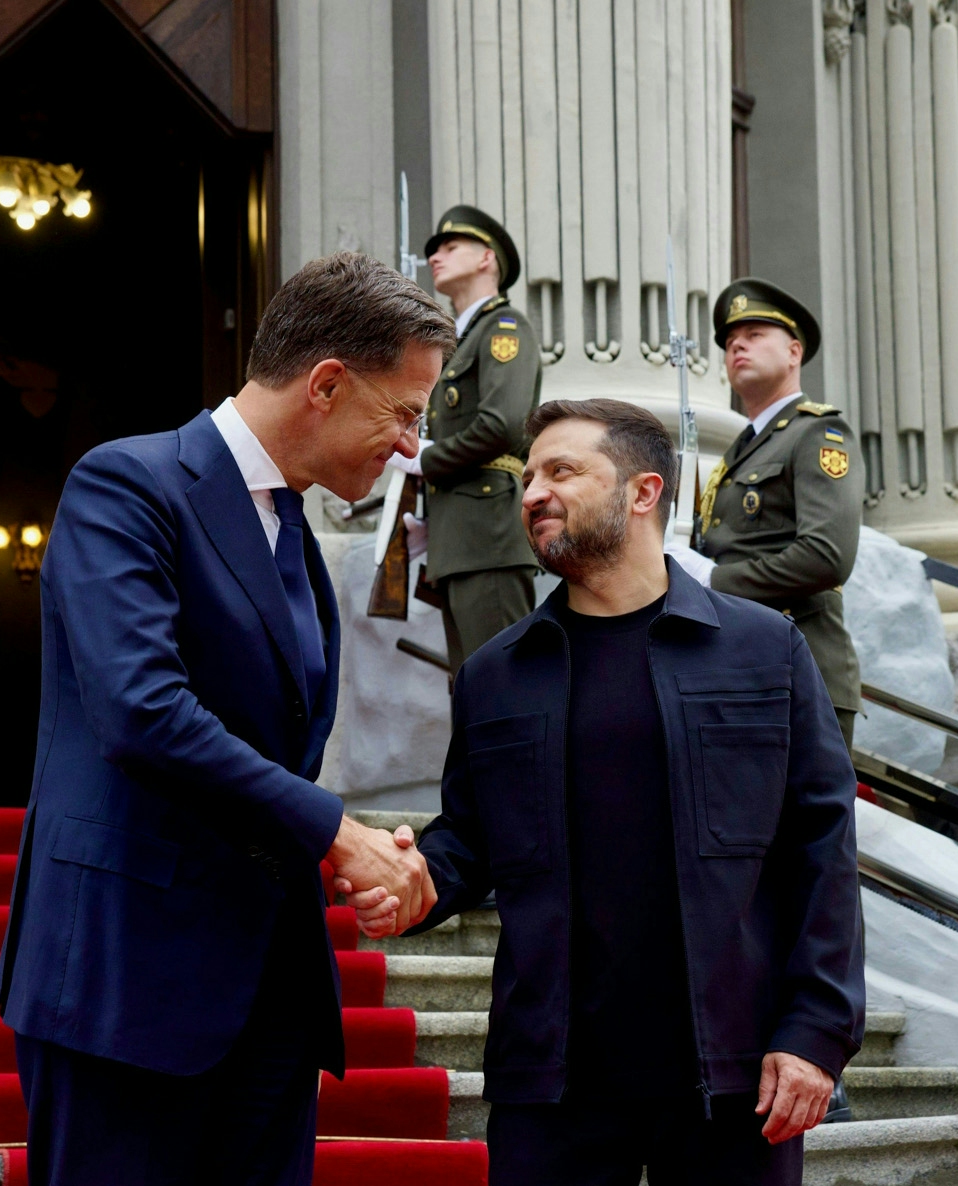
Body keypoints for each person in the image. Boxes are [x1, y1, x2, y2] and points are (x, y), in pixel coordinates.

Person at [0, 253, 445, 1185]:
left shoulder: (298, 538)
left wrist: (350, 853)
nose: (409, 446)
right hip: (126, 985)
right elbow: (143, 712)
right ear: (325, 383)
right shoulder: (128, 486)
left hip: (265, 997)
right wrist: (337, 835)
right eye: (404, 412)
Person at [345, 398, 865, 1186]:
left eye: (562, 470)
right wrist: (416, 884)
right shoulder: (495, 673)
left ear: (643, 492)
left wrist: (817, 1030)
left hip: (732, 1070)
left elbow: (822, 847)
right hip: (552, 1081)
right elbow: (470, 840)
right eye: (526, 478)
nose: (531, 494)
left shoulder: (765, 650)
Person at [665, 278, 865, 746]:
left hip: (801, 675)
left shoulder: (818, 434)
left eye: (754, 336)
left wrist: (715, 579)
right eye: (731, 342)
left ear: (793, 352)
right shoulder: (741, 450)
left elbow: (826, 555)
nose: (737, 346)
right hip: (738, 669)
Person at [388, 203, 541, 684]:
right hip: (463, 539)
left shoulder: (503, 329)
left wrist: (426, 460)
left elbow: (504, 425)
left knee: (503, 694)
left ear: (486, 259)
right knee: (474, 697)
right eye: (435, 249)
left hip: (488, 538)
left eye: (451, 247)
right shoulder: (459, 340)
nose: (436, 256)